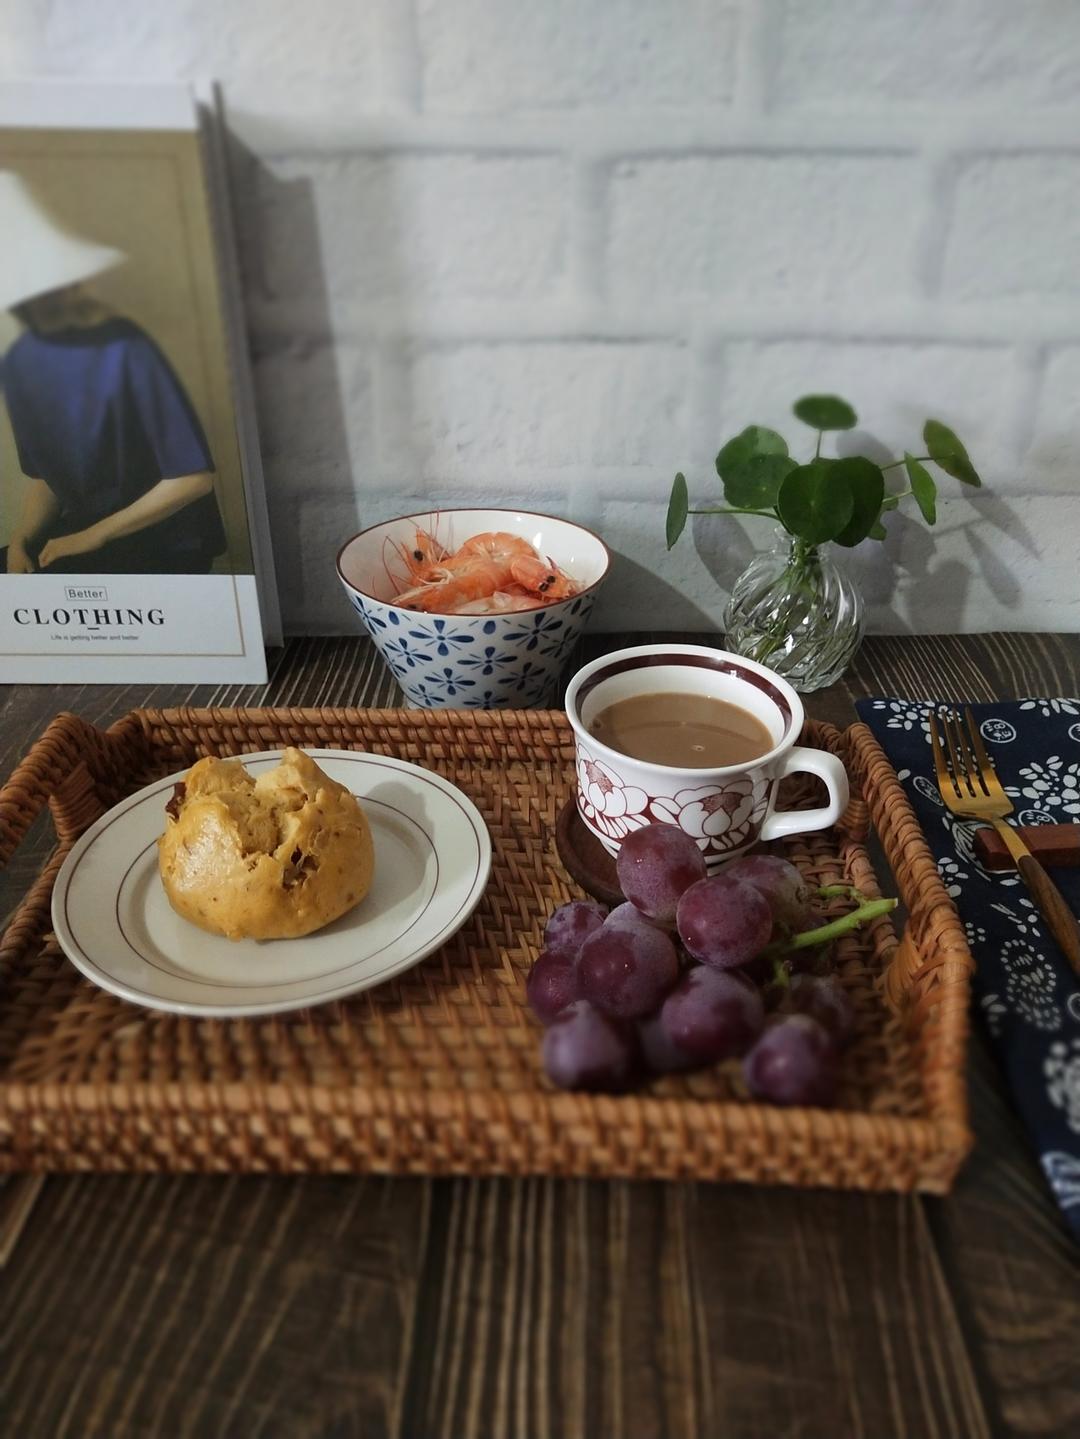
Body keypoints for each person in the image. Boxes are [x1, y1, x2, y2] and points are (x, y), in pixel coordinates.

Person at [0, 170, 226, 575]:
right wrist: (23, 540)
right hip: (85, 533)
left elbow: (193, 478)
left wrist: (94, 535)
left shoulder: (128, 347)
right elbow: (46, 478)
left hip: (168, 543)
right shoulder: (18, 364)